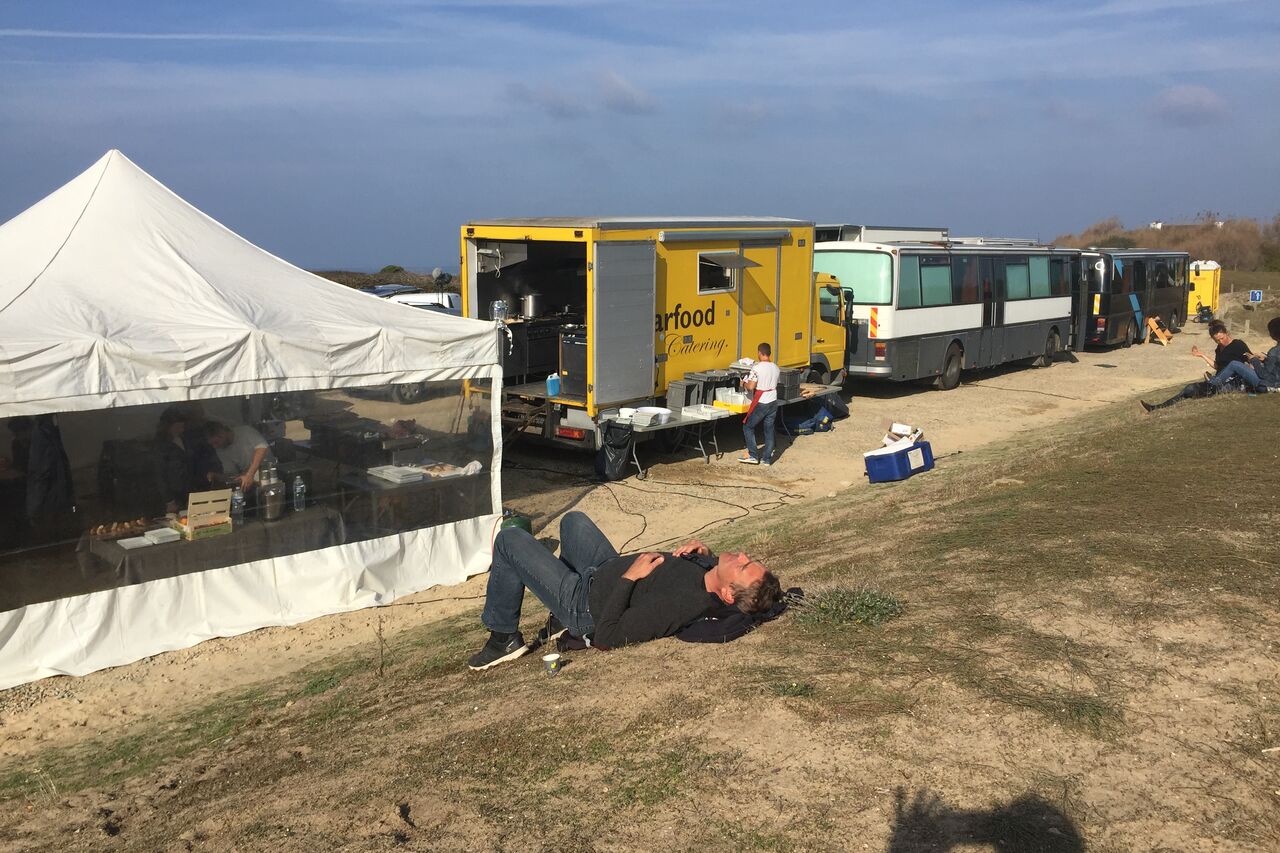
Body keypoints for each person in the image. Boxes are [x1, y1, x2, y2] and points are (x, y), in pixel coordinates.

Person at [468, 511, 783, 670]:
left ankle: (502, 638)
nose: (741, 556)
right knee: (573, 521)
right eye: (748, 559)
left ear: (729, 594)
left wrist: (630, 577)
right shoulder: (711, 572)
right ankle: (556, 614)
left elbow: (608, 635)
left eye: (742, 566)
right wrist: (706, 554)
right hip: (604, 568)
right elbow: (710, 574)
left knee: (509, 541)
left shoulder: (681, 605)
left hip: (586, 603)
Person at [1142, 321, 1254, 411]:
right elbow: (1217, 366)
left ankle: (1156, 408)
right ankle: (1157, 407)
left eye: (1222, 338)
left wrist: (1250, 381)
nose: (1220, 342)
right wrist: (1201, 355)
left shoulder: (1238, 344)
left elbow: (1251, 361)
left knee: (1191, 390)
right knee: (1189, 389)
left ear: (1227, 334)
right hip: (1217, 380)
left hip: (1231, 382)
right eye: (1217, 340)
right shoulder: (1218, 349)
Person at [738, 342, 781, 466]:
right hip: (773, 400)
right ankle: (766, 459)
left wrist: (743, 383)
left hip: (762, 401)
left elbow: (751, 387)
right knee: (769, 429)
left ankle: (753, 454)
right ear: (769, 353)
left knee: (748, 426)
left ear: (759, 353)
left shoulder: (757, 368)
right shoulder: (776, 367)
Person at [153, 407, 199, 514]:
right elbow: (160, 474)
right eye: (177, 427)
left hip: (188, 491)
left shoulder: (184, 439)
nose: (181, 430)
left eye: (182, 427)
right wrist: (169, 501)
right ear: (167, 427)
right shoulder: (160, 446)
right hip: (173, 495)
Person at [206, 421, 274, 492]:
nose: (215, 447)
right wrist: (218, 477)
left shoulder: (245, 431)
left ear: (222, 434)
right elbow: (232, 474)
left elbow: (262, 448)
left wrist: (249, 474)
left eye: (216, 442)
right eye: (212, 444)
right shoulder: (220, 449)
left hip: (270, 475)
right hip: (250, 483)